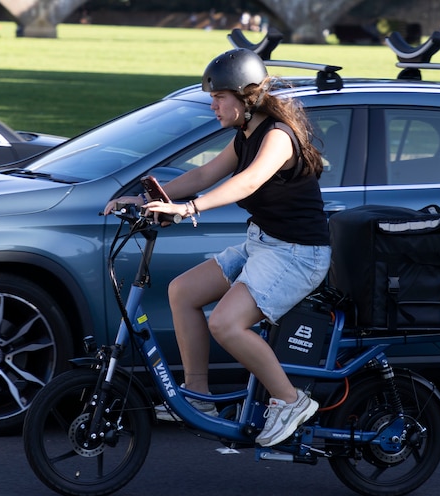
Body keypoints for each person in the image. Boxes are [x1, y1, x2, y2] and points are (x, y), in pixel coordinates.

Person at [105, 48, 331, 447]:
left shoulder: (278, 137)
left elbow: (247, 183)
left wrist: (189, 209)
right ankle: (199, 397)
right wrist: (141, 201)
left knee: (226, 323)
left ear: (247, 98)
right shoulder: (245, 135)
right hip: (263, 243)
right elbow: (205, 173)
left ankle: (290, 400)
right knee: (182, 291)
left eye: (219, 97)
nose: (213, 105)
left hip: (298, 253)